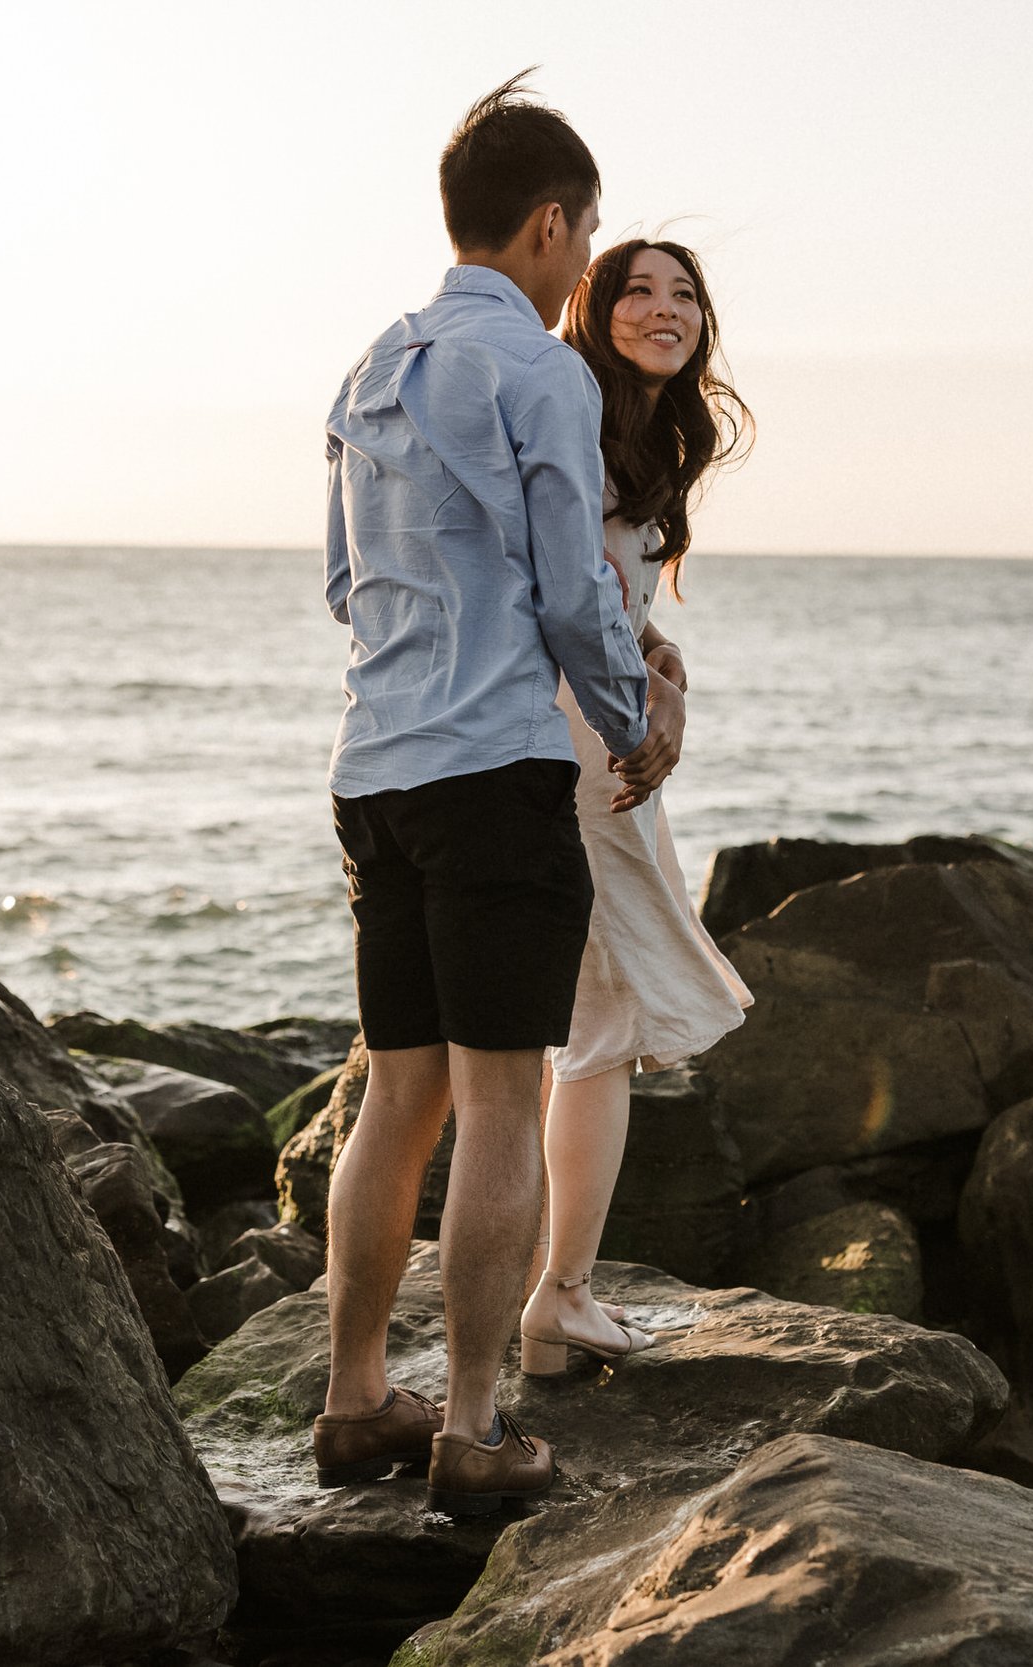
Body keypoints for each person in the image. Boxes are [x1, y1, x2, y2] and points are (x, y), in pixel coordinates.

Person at [308, 74, 653, 1519]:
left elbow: (341, 583)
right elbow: (575, 581)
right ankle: (473, 1425)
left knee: (399, 1092)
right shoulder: (541, 371)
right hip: (497, 768)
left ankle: (350, 1400)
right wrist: (630, 712)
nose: (582, 267)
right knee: (506, 1100)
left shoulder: (369, 368)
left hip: (374, 767)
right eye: (581, 240)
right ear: (549, 223)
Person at [517, 239, 757, 1376]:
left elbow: (603, 591)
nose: (664, 309)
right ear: (591, 307)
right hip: (584, 741)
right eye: (636, 292)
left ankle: (556, 1293)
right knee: (599, 1022)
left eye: (684, 294)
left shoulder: (643, 436)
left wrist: (654, 646)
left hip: (594, 726)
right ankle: (557, 1295)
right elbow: (558, 589)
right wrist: (638, 698)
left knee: (587, 1022)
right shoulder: (578, 415)